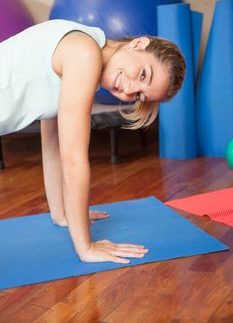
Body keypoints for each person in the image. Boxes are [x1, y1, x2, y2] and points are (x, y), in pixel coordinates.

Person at [0, 19, 186, 263]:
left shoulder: (81, 45)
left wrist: (61, 215)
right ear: (139, 44)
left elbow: (53, 140)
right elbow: (73, 160)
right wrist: (86, 247)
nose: (130, 90)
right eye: (143, 74)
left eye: (140, 94)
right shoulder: (84, 54)